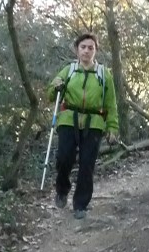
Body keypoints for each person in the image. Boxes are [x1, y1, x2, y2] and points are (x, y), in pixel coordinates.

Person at [47, 32, 119, 219]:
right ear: (77, 50)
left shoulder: (104, 74)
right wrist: (56, 86)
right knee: (64, 157)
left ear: (96, 51)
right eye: (83, 47)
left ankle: (80, 205)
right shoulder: (68, 71)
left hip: (94, 123)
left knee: (87, 164)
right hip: (68, 119)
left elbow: (111, 104)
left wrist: (112, 128)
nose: (86, 51)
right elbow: (51, 95)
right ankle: (62, 189)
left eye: (90, 48)